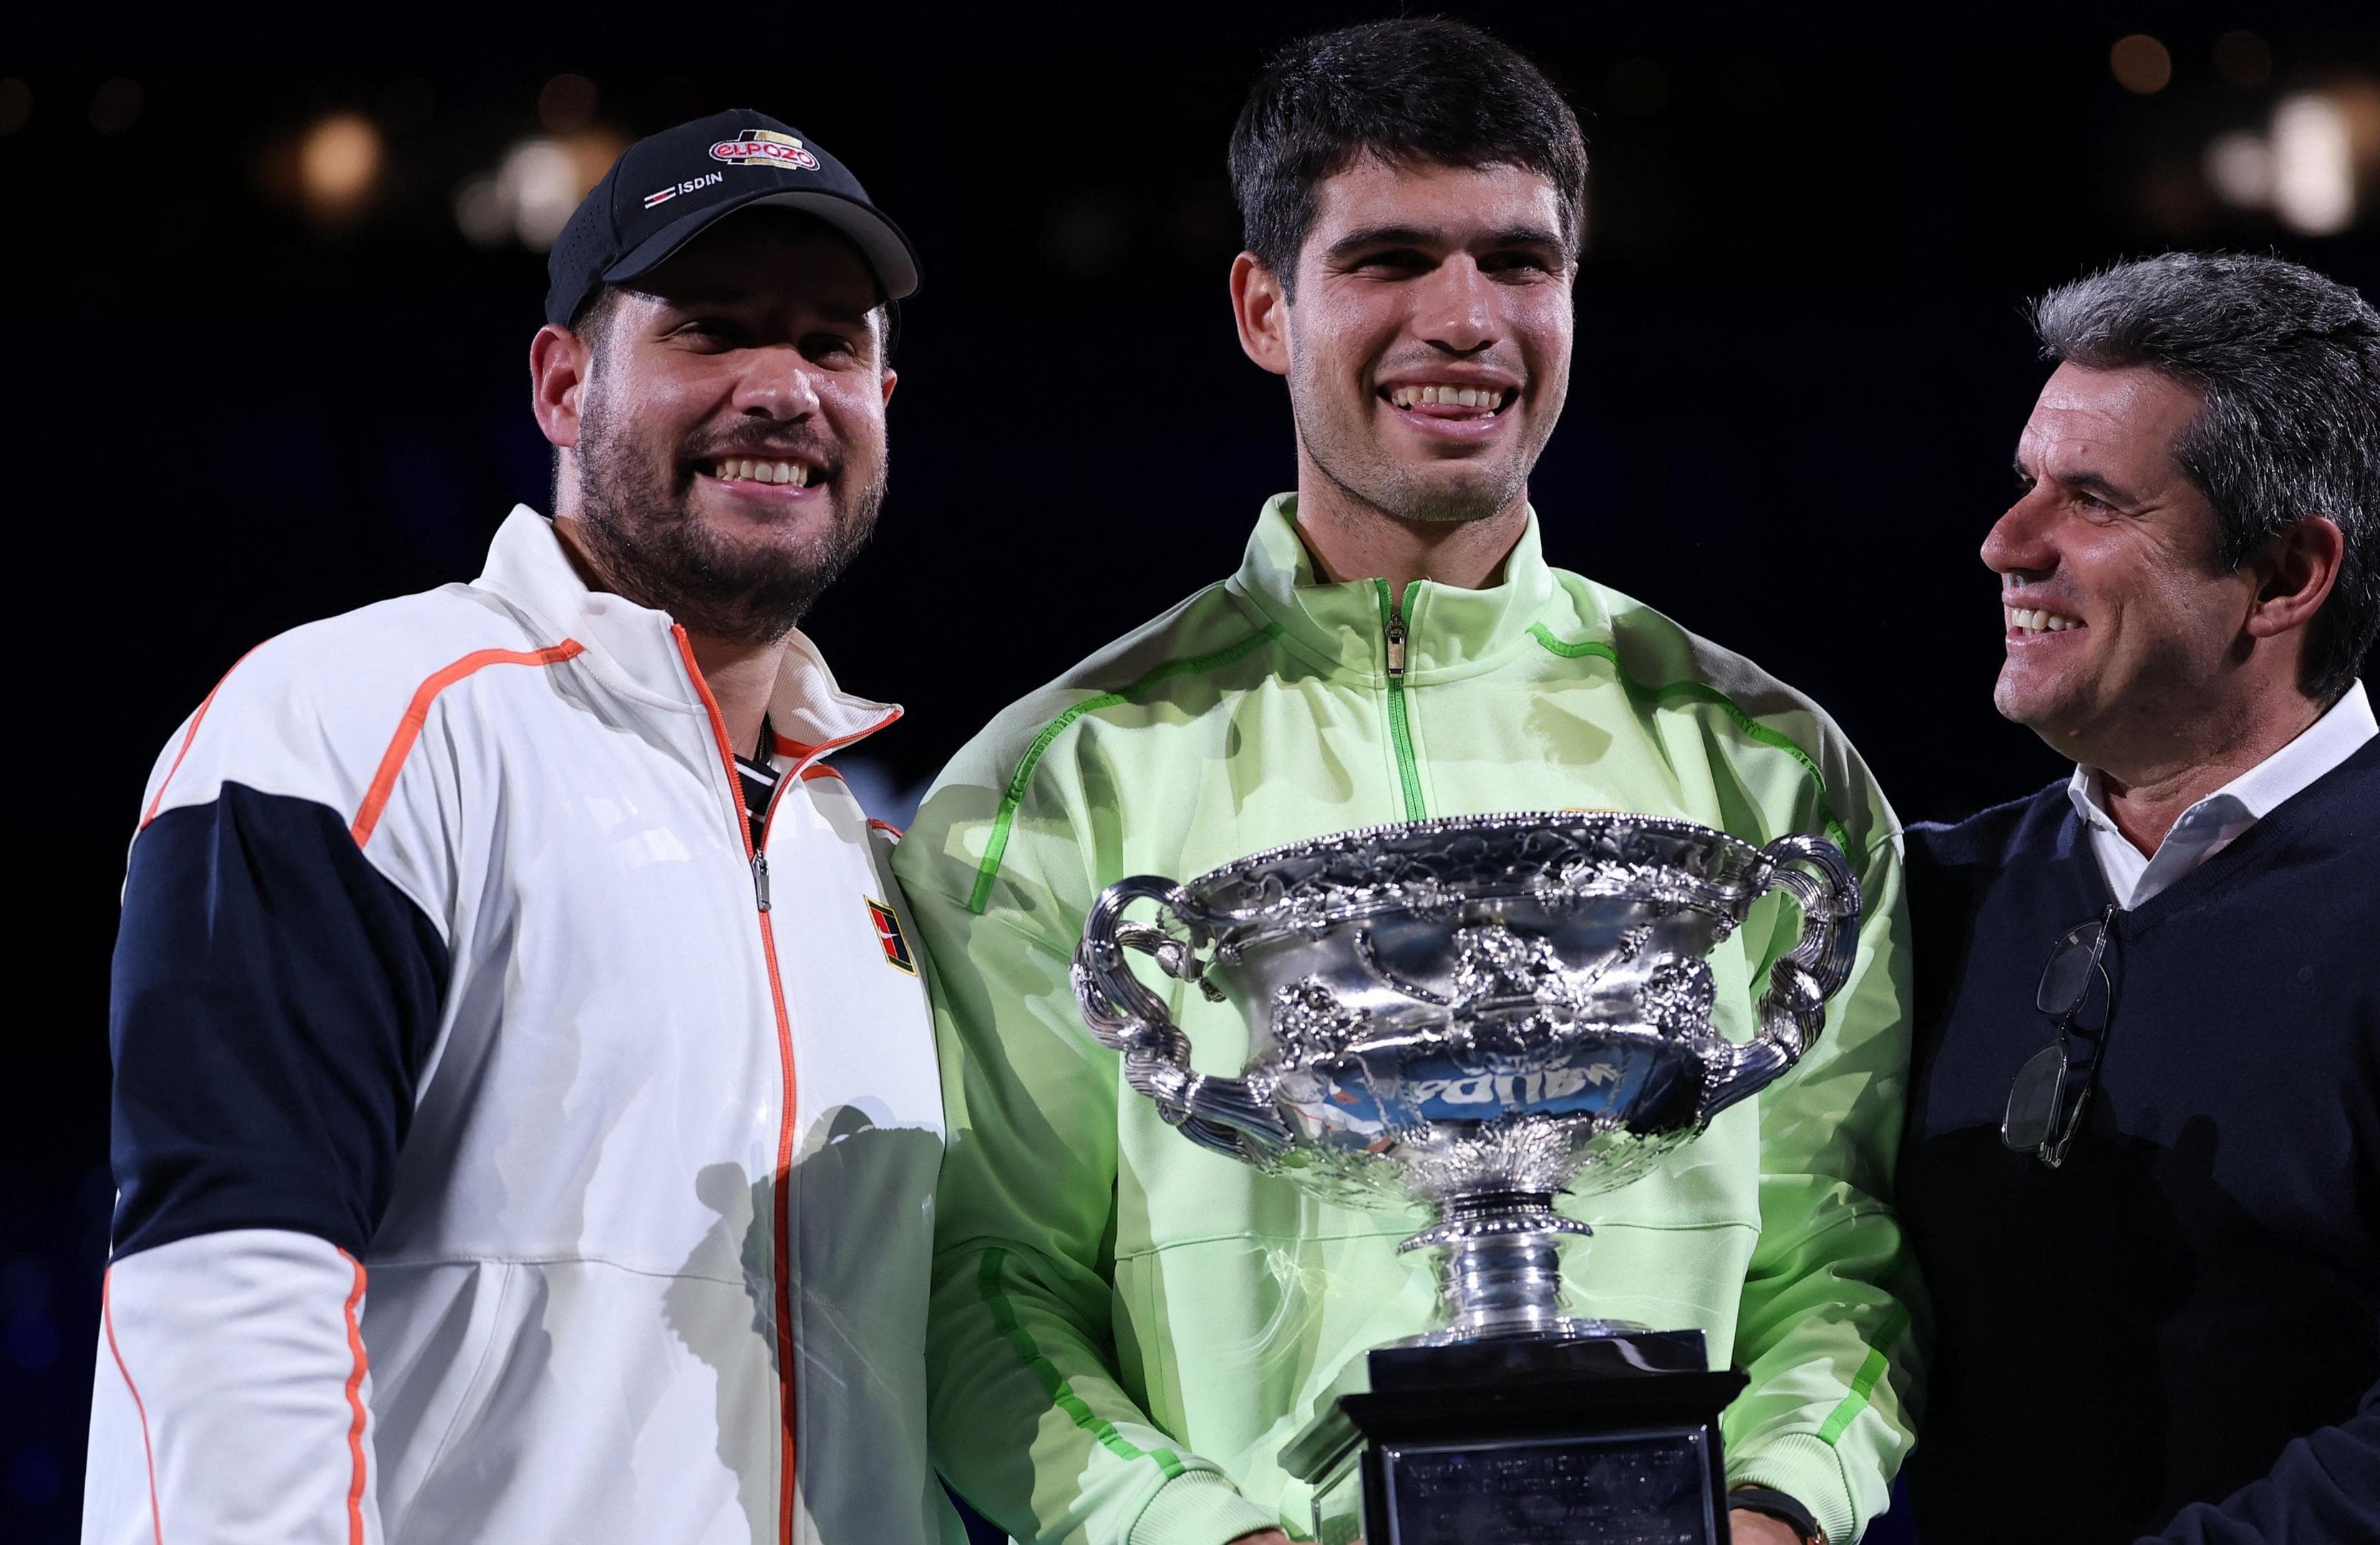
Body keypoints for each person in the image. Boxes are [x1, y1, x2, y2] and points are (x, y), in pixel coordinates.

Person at [900, 20, 1916, 1545]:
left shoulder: (1770, 766)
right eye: (1389, 259)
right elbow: (984, 1293)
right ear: (1265, 307)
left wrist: (1771, 1515)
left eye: (1519, 261)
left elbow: (1845, 1263)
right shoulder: (1058, 783)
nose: (1466, 320)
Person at [86, 112, 958, 1545]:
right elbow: (230, 1288)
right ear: (564, 385)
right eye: (710, 329)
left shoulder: (862, 849)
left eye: (832, 345)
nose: (783, 390)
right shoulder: (357, 722)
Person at [1895, 252, 2380, 1543]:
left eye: (2090, 499)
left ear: (2289, 574)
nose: (2007, 543)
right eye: (2026, 483)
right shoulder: (1928, 899)